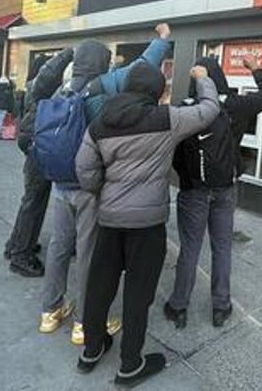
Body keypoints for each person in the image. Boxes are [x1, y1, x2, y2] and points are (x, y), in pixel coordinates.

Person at [75, 62, 219, 384]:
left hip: (110, 219)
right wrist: (204, 79)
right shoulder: (167, 119)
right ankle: (130, 366)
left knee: (100, 287)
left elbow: (84, 170)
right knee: (138, 294)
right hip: (147, 223)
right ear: (157, 91)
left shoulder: (101, 121)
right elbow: (210, 110)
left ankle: (91, 350)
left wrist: (108, 191)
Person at [38, 23, 172, 348]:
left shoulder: (64, 89)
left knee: (58, 245)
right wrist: (162, 39)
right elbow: (142, 68)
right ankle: (85, 322)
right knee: (88, 253)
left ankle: (50, 311)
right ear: (101, 61)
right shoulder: (101, 85)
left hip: (59, 182)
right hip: (87, 185)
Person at [164, 54, 262, 329]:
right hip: (226, 188)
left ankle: (178, 306)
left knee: (190, 250)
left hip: (194, 191)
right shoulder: (236, 105)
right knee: (222, 247)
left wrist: (187, 177)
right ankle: (221, 307)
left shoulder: (186, 109)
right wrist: (255, 68)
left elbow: (175, 153)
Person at [4, 50, 72, 277]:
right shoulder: (39, 86)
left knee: (32, 201)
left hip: (36, 147)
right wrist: (68, 54)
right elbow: (49, 74)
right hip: (38, 149)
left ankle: (16, 244)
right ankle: (20, 256)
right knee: (33, 203)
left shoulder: (39, 89)